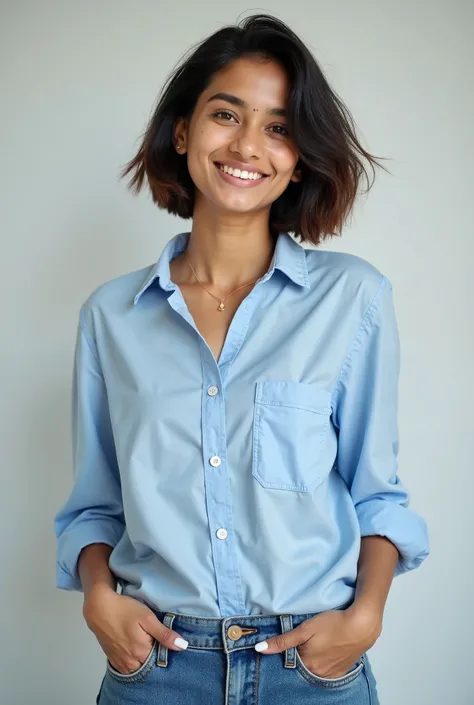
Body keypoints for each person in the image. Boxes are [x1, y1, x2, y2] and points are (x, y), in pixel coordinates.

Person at [53, 13, 430, 705]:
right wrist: (99, 600)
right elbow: (93, 506)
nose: (248, 145)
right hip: (156, 669)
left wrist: (364, 617)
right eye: (226, 114)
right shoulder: (111, 316)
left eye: (279, 126)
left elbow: (378, 495)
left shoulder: (353, 299)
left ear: (298, 155)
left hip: (311, 669)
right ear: (183, 132)